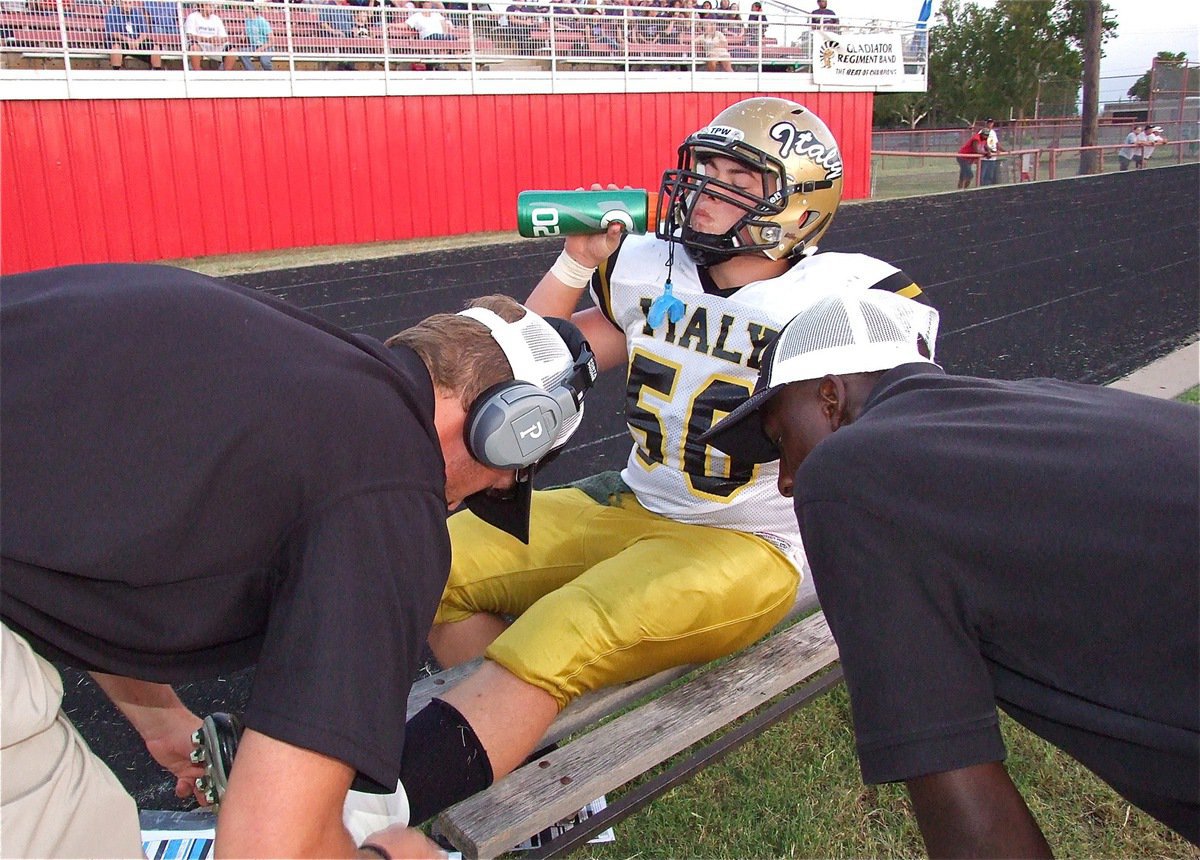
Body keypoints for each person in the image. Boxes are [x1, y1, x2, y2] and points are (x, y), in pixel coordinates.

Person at [394, 97, 931, 826]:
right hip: (635, 499)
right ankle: (536, 772)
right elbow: (537, 367)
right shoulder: (652, 268)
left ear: (799, 206)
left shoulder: (844, 298)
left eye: (738, 175)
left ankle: (357, 818)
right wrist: (573, 262)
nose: (706, 186)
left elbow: (895, 440)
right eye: (706, 165)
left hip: (747, 539)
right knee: (428, 555)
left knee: (565, 629)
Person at [0, 264, 596, 858]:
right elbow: (268, 849)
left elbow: (79, 520)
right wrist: (392, 855)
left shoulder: (304, 366)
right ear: (506, 429)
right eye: (504, 478)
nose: (479, 496)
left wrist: (158, 718)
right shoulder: (387, 493)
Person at [700, 289, 1200, 855]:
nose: (786, 478)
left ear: (830, 398)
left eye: (779, 439)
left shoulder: (848, 474)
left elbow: (961, 791)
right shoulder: (1045, 404)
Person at [104, 0, 162, 69]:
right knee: (116, 47)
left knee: (155, 47)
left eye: (130, 3)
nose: (128, 6)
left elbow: (144, 33)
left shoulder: (137, 13)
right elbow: (113, 33)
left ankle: (157, 71)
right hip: (121, 40)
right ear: (120, 3)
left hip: (136, 41)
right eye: (125, 3)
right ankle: (116, 72)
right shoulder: (112, 13)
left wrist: (138, 41)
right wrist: (128, 40)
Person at [183, 0, 235, 69]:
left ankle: (226, 75)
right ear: (201, 6)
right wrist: (208, 40)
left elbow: (225, 37)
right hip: (199, 45)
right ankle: (196, 71)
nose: (212, 8)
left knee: (232, 50)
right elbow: (190, 35)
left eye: (212, 6)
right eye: (209, 5)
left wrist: (219, 41)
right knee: (194, 47)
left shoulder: (216, 18)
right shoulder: (192, 16)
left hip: (214, 46)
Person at [240, 1, 273, 70]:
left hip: (266, 47)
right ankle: (252, 72)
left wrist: (261, 49)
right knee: (242, 53)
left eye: (245, 8)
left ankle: (270, 74)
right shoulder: (247, 21)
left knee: (264, 61)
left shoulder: (262, 21)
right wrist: (243, 34)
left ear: (251, 9)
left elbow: (271, 41)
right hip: (254, 46)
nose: (243, 10)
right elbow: (247, 30)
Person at [979, 117, 1001, 185]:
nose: (990, 124)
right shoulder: (983, 131)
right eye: (988, 123)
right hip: (985, 158)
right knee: (983, 175)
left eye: (991, 123)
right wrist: (990, 151)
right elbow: (983, 143)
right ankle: (981, 188)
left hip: (993, 158)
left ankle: (987, 188)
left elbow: (996, 143)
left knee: (990, 176)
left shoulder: (993, 132)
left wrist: (1002, 150)